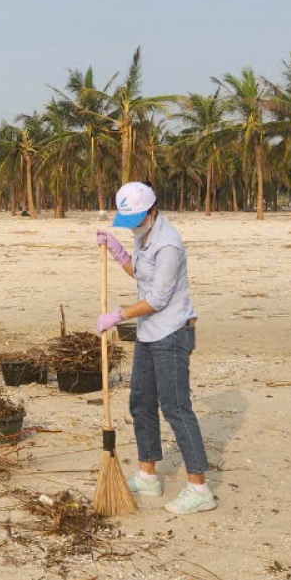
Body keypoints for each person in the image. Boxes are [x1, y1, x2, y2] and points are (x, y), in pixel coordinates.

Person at [95, 182, 215, 515]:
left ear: (152, 211)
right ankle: (148, 475)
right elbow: (143, 275)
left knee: (176, 406)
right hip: (149, 334)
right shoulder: (143, 234)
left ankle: (199, 487)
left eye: (135, 219)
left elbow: (158, 299)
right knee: (141, 401)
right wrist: (119, 252)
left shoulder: (169, 244)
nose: (132, 225)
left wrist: (118, 316)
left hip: (172, 332)